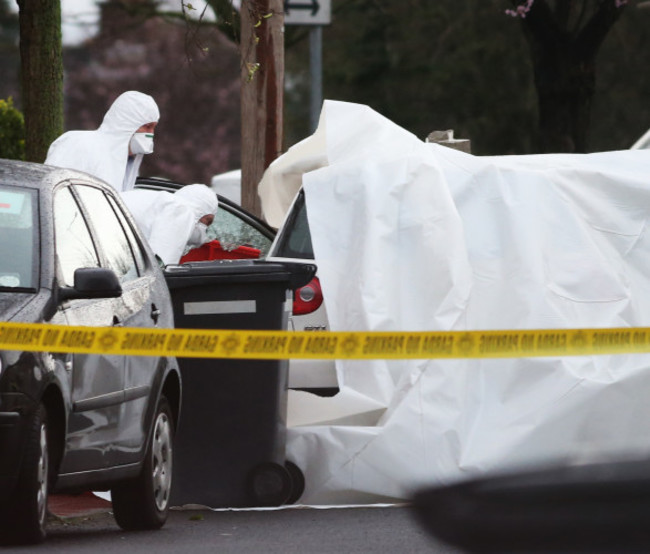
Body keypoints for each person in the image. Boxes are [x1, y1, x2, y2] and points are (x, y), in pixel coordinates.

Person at [45, 91, 160, 192]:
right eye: (148, 126)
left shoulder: (126, 165)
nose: (151, 133)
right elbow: (54, 192)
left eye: (154, 127)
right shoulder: (78, 143)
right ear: (127, 123)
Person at [121, 184, 219, 266]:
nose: (205, 229)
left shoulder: (156, 200)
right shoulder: (181, 211)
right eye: (208, 221)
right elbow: (159, 266)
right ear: (201, 210)